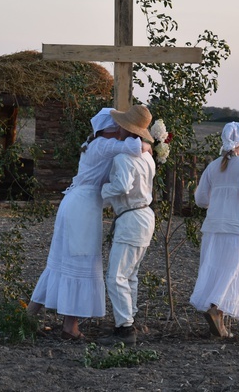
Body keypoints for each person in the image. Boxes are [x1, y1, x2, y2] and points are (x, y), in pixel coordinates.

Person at [27, 107, 151, 340]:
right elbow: (135, 147)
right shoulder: (104, 145)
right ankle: (70, 327)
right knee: (81, 261)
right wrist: (147, 146)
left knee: (61, 261)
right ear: (109, 129)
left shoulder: (95, 144)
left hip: (74, 203)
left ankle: (29, 316)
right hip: (83, 207)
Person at [190, 122, 239, 338]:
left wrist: (217, 202)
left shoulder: (212, 166)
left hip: (214, 228)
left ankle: (220, 323)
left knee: (217, 269)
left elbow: (200, 200)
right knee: (232, 272)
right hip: (238, 229)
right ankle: (215, 307)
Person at [98, 105, 156, 345]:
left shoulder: (123, 158)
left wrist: (102, 190)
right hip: (144, 215)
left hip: (132, 217)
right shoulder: (146, 157)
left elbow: (121, 186)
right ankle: (128, 318)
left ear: (125, 128)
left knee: (116, 276)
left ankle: (125, 328)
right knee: (130, 274)